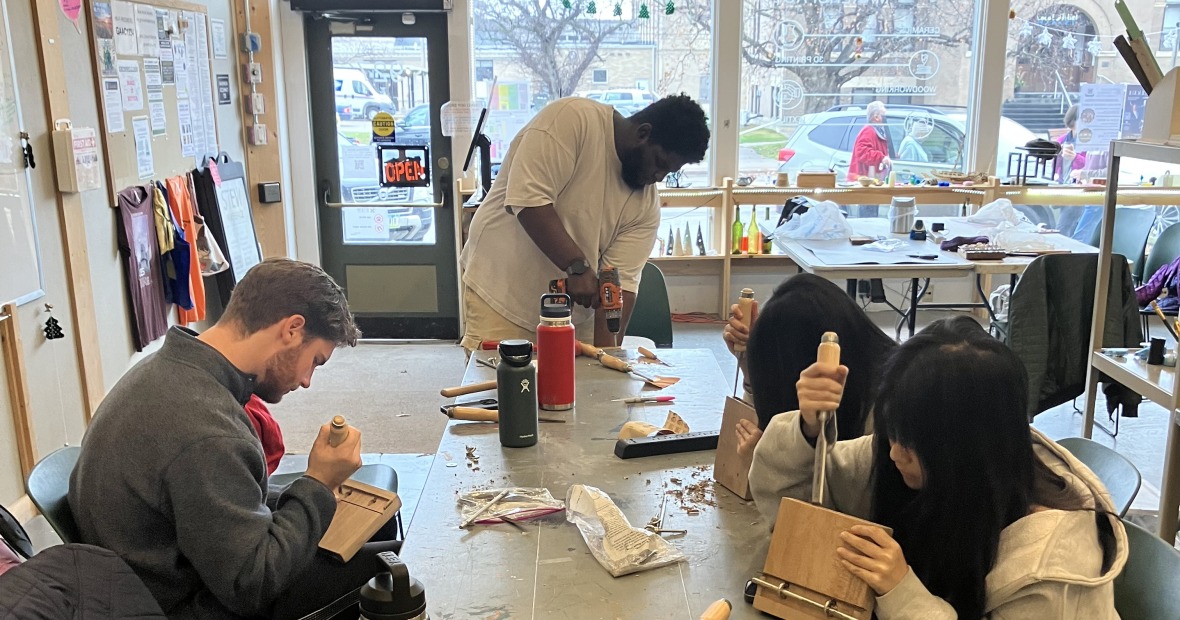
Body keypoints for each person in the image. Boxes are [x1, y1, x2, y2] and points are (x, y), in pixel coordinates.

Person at [69, 258, 398, 619]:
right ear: (291, 330)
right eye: (314, 361)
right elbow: (253, 585)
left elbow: (225, 500)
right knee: (396, 568)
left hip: (162, 568)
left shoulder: (166, 369)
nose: (307, 381)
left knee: (374, 523)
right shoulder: (208, 431)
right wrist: (319, 482)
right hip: (184, 603)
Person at [748, 316, 1125, 619]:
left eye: (910, 444)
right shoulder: (913, 462)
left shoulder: (1050, 571)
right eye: (891, 433)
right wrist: (808, 429)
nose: (894, 454)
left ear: (960, 451)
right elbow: (793, 507)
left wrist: (902, 593)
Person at [459, 94, 710, 351]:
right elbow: (529, 201)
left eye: (668, 172)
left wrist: (608, 358)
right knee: (503, 387)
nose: (658, 177)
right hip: (502, 297)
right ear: (643, 134)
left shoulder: (645, 208)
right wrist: (576, 267)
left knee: (590, 386)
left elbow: (618, 288)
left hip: (573, 321)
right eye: (660, 163)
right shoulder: (571, 120)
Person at [723, 274, 896, 456]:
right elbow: (770, 416)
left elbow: (832, 478)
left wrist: (769, 461)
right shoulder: (863, 368)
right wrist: (750, 363)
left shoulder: (885, 416)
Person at [848, 101, 891, 182]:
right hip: (863, 181)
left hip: (871, 179)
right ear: (876, 117)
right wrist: (881, 158)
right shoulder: (868, 131)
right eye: (884, 115)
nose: (886, 118)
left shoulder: (877, 131)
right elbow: (862, 152)